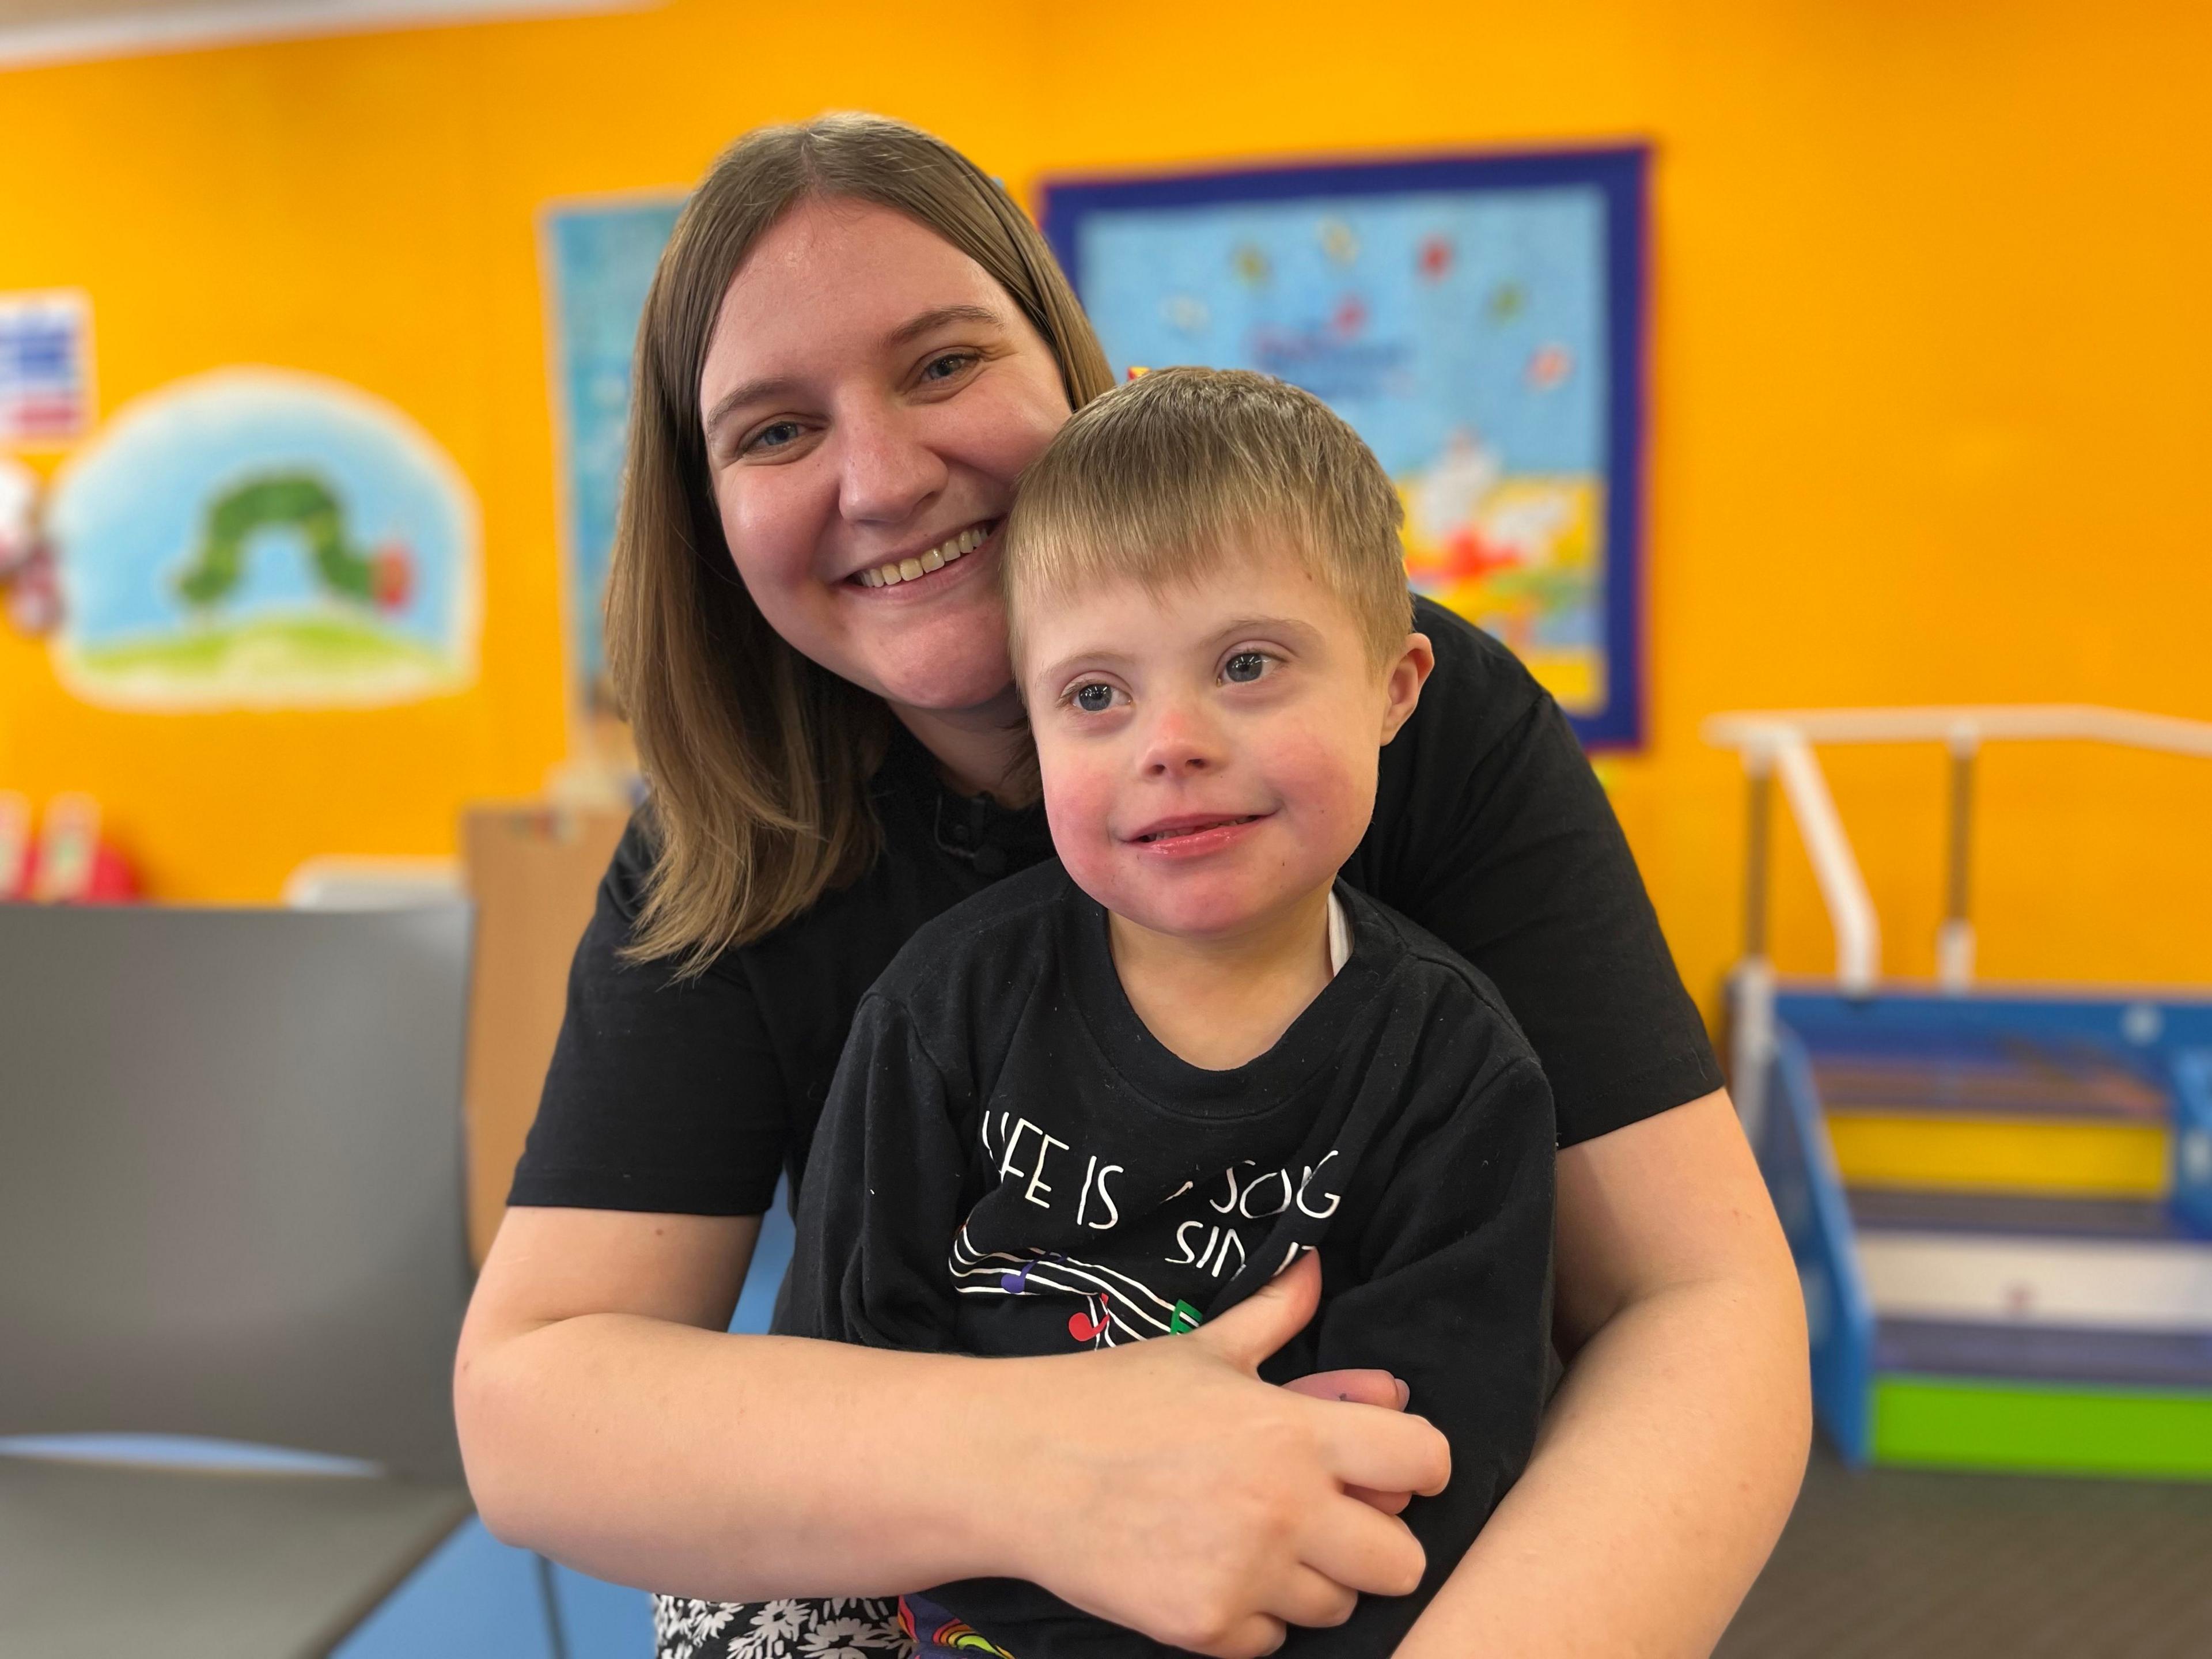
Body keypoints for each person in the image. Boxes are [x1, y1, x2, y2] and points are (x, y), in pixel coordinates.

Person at [453, 112, 1809, 1659]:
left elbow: (1701, 1307)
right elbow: (531, 1400)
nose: (885, 478)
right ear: (706, 509)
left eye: (946, 364)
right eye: (774, 430)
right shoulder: (729, 832)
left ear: (1066, 364)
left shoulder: (1402, 727)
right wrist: (1061, 1470)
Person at [703, 366, 1557, 1659]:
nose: (1171, 741)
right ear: (1036, 736)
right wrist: (1050, 1513)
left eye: (1249, 664)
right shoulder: (947, 1012)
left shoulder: (1453, 1071)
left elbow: (1424, 1482)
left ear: (1395, 686)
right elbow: (840, 1397)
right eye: (1096, 696)